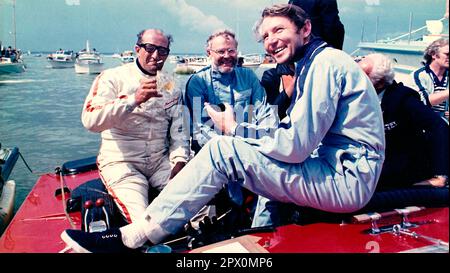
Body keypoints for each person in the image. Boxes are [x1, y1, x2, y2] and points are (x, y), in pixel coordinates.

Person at [60, 4, 385, 253]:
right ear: (138, 49)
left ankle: (137, 237)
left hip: (342, 181)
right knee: (219, 155)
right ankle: (149, 233)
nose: (271, 42)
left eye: (278, 31)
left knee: (222, 155)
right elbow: (191, 129)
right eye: (266, 37)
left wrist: (235, 130)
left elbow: (290, 140)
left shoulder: (322, 66)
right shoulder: (317, 63)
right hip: (126, 162)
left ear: (305, 29)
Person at [79, 29, 190, 224]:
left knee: (200, 206)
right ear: (137, 49)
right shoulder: (112, 77)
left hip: (159, 162)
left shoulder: (171, 83)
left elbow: (179, 130)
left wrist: (179, 161)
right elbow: (90, 121)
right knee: (143, 221)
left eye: (162, 51)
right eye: (150, 48)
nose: (156, 56)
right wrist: (133, 100)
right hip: (122, 163)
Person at [358, 53, 448, 189]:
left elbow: (438, 126)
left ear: (380, 82)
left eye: (362, 76)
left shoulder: (403, 98)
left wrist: (440, 175)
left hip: (401, 162)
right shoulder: (361, 96)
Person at [406, 38, 449, 122]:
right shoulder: (418, 76)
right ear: (433, 55)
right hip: (424, 124)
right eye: (447, 54)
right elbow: (423, 102)